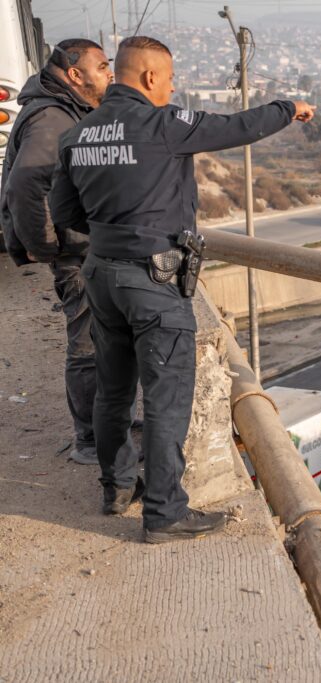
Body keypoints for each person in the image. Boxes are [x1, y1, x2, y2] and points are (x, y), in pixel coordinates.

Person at [48, 36, 315, 542]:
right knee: (167, 396)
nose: (172, 90)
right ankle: (165, 512)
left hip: (101, 273)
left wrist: (113, 229)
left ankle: (116, 486)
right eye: (169, 80)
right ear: (150, 78)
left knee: (114, 389)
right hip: (153, 281)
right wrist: (289, 107)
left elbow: (64, 215)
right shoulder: (164, 125)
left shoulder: (76, 135)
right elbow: (238, 127)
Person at [0, 39, 132, 466]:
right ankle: (90, 441)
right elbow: (25, 186)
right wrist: (48, 247)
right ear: (74, 75)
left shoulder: (64, 110)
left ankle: (106, 428)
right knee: (87, 347)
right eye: (101, 66)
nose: (109, 73)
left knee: (102, 342)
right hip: (77, 254)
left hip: (83, 248)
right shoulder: (54, 118)